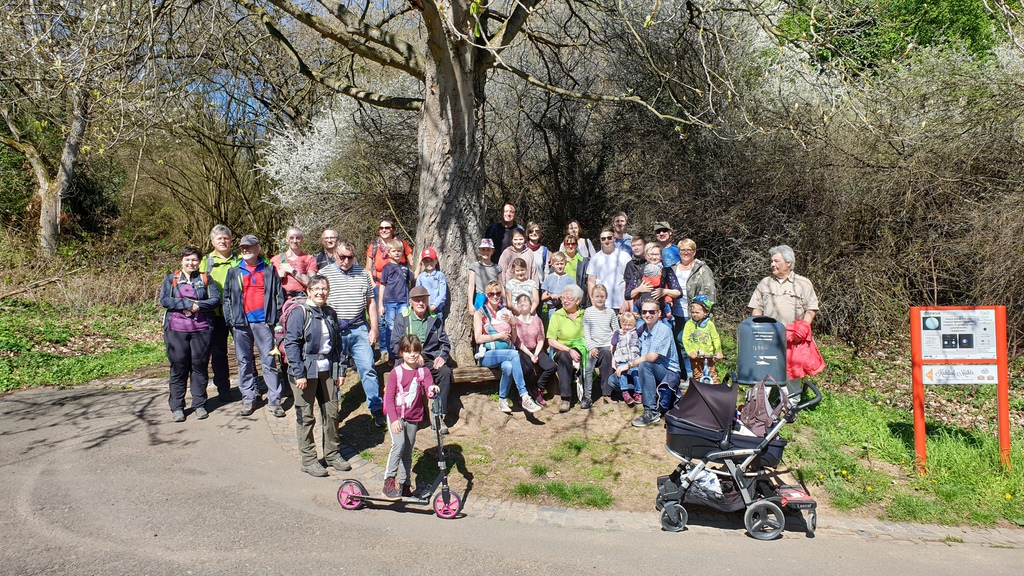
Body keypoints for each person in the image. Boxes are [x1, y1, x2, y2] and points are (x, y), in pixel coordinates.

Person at [282, 274, 351, 477]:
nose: (321, 292)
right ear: (309, 291)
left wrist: (341, 370)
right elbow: (291, 344)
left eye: (324, 288)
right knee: (306, 416)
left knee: (332, 413)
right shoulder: (299, 313)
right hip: (305, 371)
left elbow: (337, 345)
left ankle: (332, 454)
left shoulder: (330, 313)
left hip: (327, 369)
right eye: (317, 289)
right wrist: (299, 373)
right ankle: (309, 460)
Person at [319, 240, 385, 427]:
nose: (346, 261)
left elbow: (371, 303)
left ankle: (376, 408)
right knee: (334, 372)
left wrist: (374, 328)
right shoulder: (324, 274)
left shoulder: (363, 274)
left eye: (350, 257)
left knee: (368, 368)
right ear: (335, 255)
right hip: (335, 331)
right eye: (342, 257)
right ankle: (333, 412)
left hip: (359, 329)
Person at [222, 235, 286, 418]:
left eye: (249, 247)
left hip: (264, 323)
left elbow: (278, 295)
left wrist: (275, 319)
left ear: (258, 248)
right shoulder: (234, 272)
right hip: (241, 324)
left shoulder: (269, 270)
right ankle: (248, 398)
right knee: (244, 362)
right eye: (243, 247)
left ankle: (274, 401)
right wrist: (231, 320)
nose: (245, 250)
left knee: (269, 362)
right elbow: (226, 298)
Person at [748, 244, 819, 399]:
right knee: (763, 372)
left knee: (792, 375)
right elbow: (756, 308)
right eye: (771, 261)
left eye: (776, 261)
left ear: (788, 263)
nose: (772, 264)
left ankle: (789, 406)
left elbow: (811, 309)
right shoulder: (765, 283)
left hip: (793, 340)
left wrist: (803, 327)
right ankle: (759, 405)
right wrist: (758, 327)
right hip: (768, 338)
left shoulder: (803, 283)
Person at [160, 246, 222, 422]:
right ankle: (177, 407)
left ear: (200, 261)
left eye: (194, 259)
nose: (191, 263)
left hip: (202, 329)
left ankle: (199, 404)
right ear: (182, 260)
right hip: (176, 330)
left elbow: (215, 300)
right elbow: (165, 300)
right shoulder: (172, 278)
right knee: (178, 367)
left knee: (199, 366)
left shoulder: (206, 278)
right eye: (187, 259)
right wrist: (187, 304)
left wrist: (198, 306)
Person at [381, 334, 441, 500]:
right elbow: (389, 398)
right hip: (397, 416)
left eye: (415, 351)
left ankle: (405, 485)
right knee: (398, 444)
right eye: (408, 351)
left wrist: (433, 389)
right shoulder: (396, 373)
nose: (412, 355)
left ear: (419, 352)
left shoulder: (423, 371)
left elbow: (429, 388)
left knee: (407, 452)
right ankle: (388, 482)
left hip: (414, 417)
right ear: (401, 353)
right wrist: (394, 420)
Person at [473, 280, 543, 415]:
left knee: (508, 367)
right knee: (513, 354)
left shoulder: (505, 312)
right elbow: (478, 338)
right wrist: (498, 336)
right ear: (487, 295)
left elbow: (514, 339)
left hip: (505, 354)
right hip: (488, 354)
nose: (495, 296)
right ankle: (524, 395)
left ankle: (502, 400)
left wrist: (513, 324)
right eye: (491, 294)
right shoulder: (480, 313)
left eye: (498, 293)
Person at [391, 286, 454, 432]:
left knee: (445, 372)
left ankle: (438, 415)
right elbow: (395, 345)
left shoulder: (434, 319)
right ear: (411, 302)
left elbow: (445, 343)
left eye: (423, 300)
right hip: (407, 360)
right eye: (417, 300)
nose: (421, 303)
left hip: (429, 359)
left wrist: (442, 356)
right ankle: (405, 416)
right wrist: (412, 354)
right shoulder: (402, 318)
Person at [198, 225, 238, 402]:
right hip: (214, 313)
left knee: (244, 350)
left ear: (231, 241)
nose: (223, 241)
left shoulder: (239, 259)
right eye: (219, 238)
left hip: (237, 311)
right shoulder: (205, 261)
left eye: (226, 238)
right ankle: (223, 389)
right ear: (212, 242)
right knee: (218, 352)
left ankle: (252, 387)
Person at [628, 300, 681, 428]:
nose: (647, 315)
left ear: (659, 313)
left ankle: (651, 412)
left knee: (644, 365)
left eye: (652, 312)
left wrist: (630, 364)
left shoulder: (664, 330)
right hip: (652, 370)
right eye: (644, 312)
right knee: (614, 380)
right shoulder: (644, 330)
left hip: (668, 373)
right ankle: (652, 394)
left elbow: (651, 358)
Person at [547, 284, 587, 413]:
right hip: (563, 350)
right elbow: (551, 341)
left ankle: (589, 395)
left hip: (583, 348)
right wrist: (569, 350)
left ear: (578, 300)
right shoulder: (557, 315)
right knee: (564, 357)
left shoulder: (585, 315)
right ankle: (565, 398)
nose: (564, 301)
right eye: (563, 298)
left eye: (569, 298)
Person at [513, 293, 555, 407]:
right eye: (520, 302)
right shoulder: (515, 321)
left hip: (536, 350)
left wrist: (535, 354)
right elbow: (517, 342)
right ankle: (523, 394)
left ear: (531, 304)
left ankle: (537, 389)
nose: (522, 303)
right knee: (527, 369)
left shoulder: (537, 320)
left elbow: (541, 338)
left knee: (551, 367)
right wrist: (530, 355)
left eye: (525, 301)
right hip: (523, 351)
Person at [626, 243, 682, 323]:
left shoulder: (666, 272)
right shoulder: (640, 273)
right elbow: (627, 295)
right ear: (645, 255)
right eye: (651, 254)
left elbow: (679, 293)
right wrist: (639, 289)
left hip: (663, 316)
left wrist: (665, 291)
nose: (654, 257)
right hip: (644, 317)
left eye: (657, 254)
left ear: (661, 255)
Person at [582, 284, 618, 407]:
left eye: (602, 296)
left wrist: (613, 344)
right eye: (597, 296)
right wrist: (591, 347)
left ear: (606, 297)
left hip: (607, 345)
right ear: (592, 297)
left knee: (607, 359)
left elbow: (616, 330)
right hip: (593, 346)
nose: (599, 299)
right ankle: (587, 396)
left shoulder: (610, 312)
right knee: (589, 368)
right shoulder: (588, 312)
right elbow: (586, 332)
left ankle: (607, 394)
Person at [378, 239, 414, 358]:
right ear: (389, 253)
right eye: (394, 251)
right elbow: (382, 286)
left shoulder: (405, 267)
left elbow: (413, 277)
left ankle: (403, 352)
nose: (397, 253)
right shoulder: (387, 268)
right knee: (391, 327)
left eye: (399, 251)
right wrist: (380, 304)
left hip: (403, 301)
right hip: (390, 302)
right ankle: (392, 354)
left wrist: (419, 264)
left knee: (403, 326)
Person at [587, 227, 631, 311]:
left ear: (614, 238)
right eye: (603, 239)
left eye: (609, 238)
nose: (606, 241)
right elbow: (591, 281)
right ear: (600, 240)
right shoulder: (595, 258)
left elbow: (629, 281)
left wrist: (626, 301)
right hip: (601, 304)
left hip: (620, 304)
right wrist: (593, 302)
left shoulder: (624, 256)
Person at [682, 296, 724, 384]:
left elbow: (715, 338)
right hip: (695, 356)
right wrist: (689, 352)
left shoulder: (709, 324)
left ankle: (716, 391)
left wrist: (718, 351)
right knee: (697, 376)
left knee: (713, 376)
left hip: (708, 356)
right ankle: (699, 391)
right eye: (692, 312)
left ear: (706, 313)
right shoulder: (689, 324)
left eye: (697, 312)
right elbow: (685, 339)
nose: (694, 314)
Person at [270, 227, 318, 301]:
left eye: (298, 238)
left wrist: (292, 270)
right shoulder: (277, 259)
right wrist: (277, 276)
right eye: (291, 238)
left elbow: (312, 283)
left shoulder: (309, 259)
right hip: (282, 300)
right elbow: (269, 284)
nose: (295, 241)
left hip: (303, 300)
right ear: (286, 239)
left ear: (302, 239)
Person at [366, 218, 413, 292]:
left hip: (400, 288)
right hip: (379, 287)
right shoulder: (373, 246)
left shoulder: (402, 244)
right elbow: (368, 269)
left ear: (393, 230)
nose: (383, 230)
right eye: (381, 228)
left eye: (387, 228)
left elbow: (412, 262)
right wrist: (373, 285)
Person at [611, 312, 641, 406]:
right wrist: (617, 332)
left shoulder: (636, 332)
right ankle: (625, 393)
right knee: (621, 374)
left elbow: (644, 327)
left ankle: (638, 393)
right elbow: (613, 342)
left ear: (634, 325)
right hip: (622, 360)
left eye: (629, 325)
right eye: (624, 324)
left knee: (636, 373)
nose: (627, 327)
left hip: (634, 360)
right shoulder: (618, 333)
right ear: (621, 324)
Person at [467, 238, 501, 311]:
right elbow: (471, 286)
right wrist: (470, 304)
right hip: (481, 297)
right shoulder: (474, 266)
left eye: (488, 250)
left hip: (494, 296)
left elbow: (501, 285)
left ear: (492, 251)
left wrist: (504, 301)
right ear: (479, 250)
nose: (485, 252)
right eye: (483, 249)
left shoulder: (497, 268)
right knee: (480, 316)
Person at [540, 251, 575, 320]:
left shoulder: (570, 279)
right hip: (553, 309)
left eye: (561, 264)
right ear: (553, 265)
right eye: (557, 264)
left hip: (566, 309)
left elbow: (574, 295)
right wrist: (551, 296)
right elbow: (543, 297)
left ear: (565, 264)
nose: (559, 266)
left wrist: (564, 297)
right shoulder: (548, 278)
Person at [415, 247, 447, 322]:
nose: (429, 263)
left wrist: (434, 306)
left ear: (436, 261)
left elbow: (442, 294)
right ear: (423, 262)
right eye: (426, 261)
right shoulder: (420, 277)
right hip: (423, 310)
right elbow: (417, 293)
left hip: (437, 311)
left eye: (431, 260)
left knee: (437, 328)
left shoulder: (440, 276)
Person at [561, 235, 590, 307]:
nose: (570, 246)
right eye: (567, 244)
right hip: (562, 295)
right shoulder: (559, 260)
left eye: (573, 244)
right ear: (564, 246)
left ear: (576, 245)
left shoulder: (583, 261)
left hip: (578, 296)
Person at [621, 235, 647, 314]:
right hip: (636, 303)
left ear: (645, 246)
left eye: (639, 245)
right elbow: (628, 289)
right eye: (633, 246)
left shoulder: (651, 261)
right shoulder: (630, 265)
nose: (636, 248)